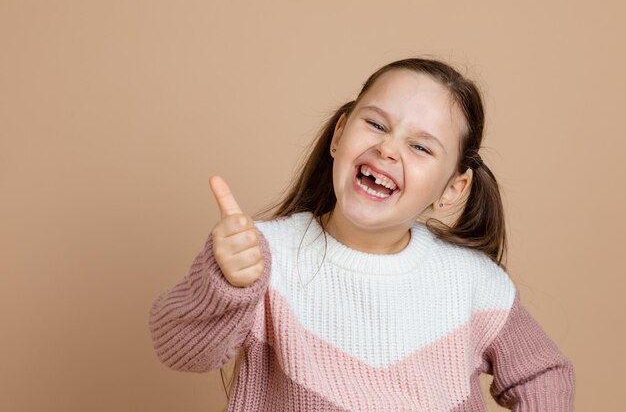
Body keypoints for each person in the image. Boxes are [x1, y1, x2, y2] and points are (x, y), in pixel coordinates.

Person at [148, 57, 575, 411]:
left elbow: (544, 373)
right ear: (339, 134)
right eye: (376, 124)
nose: (388, 149)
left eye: (421, 147)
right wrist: (225, 283)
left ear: (452, 190)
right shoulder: (266, 256)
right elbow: (179, 349)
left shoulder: (472, 283)